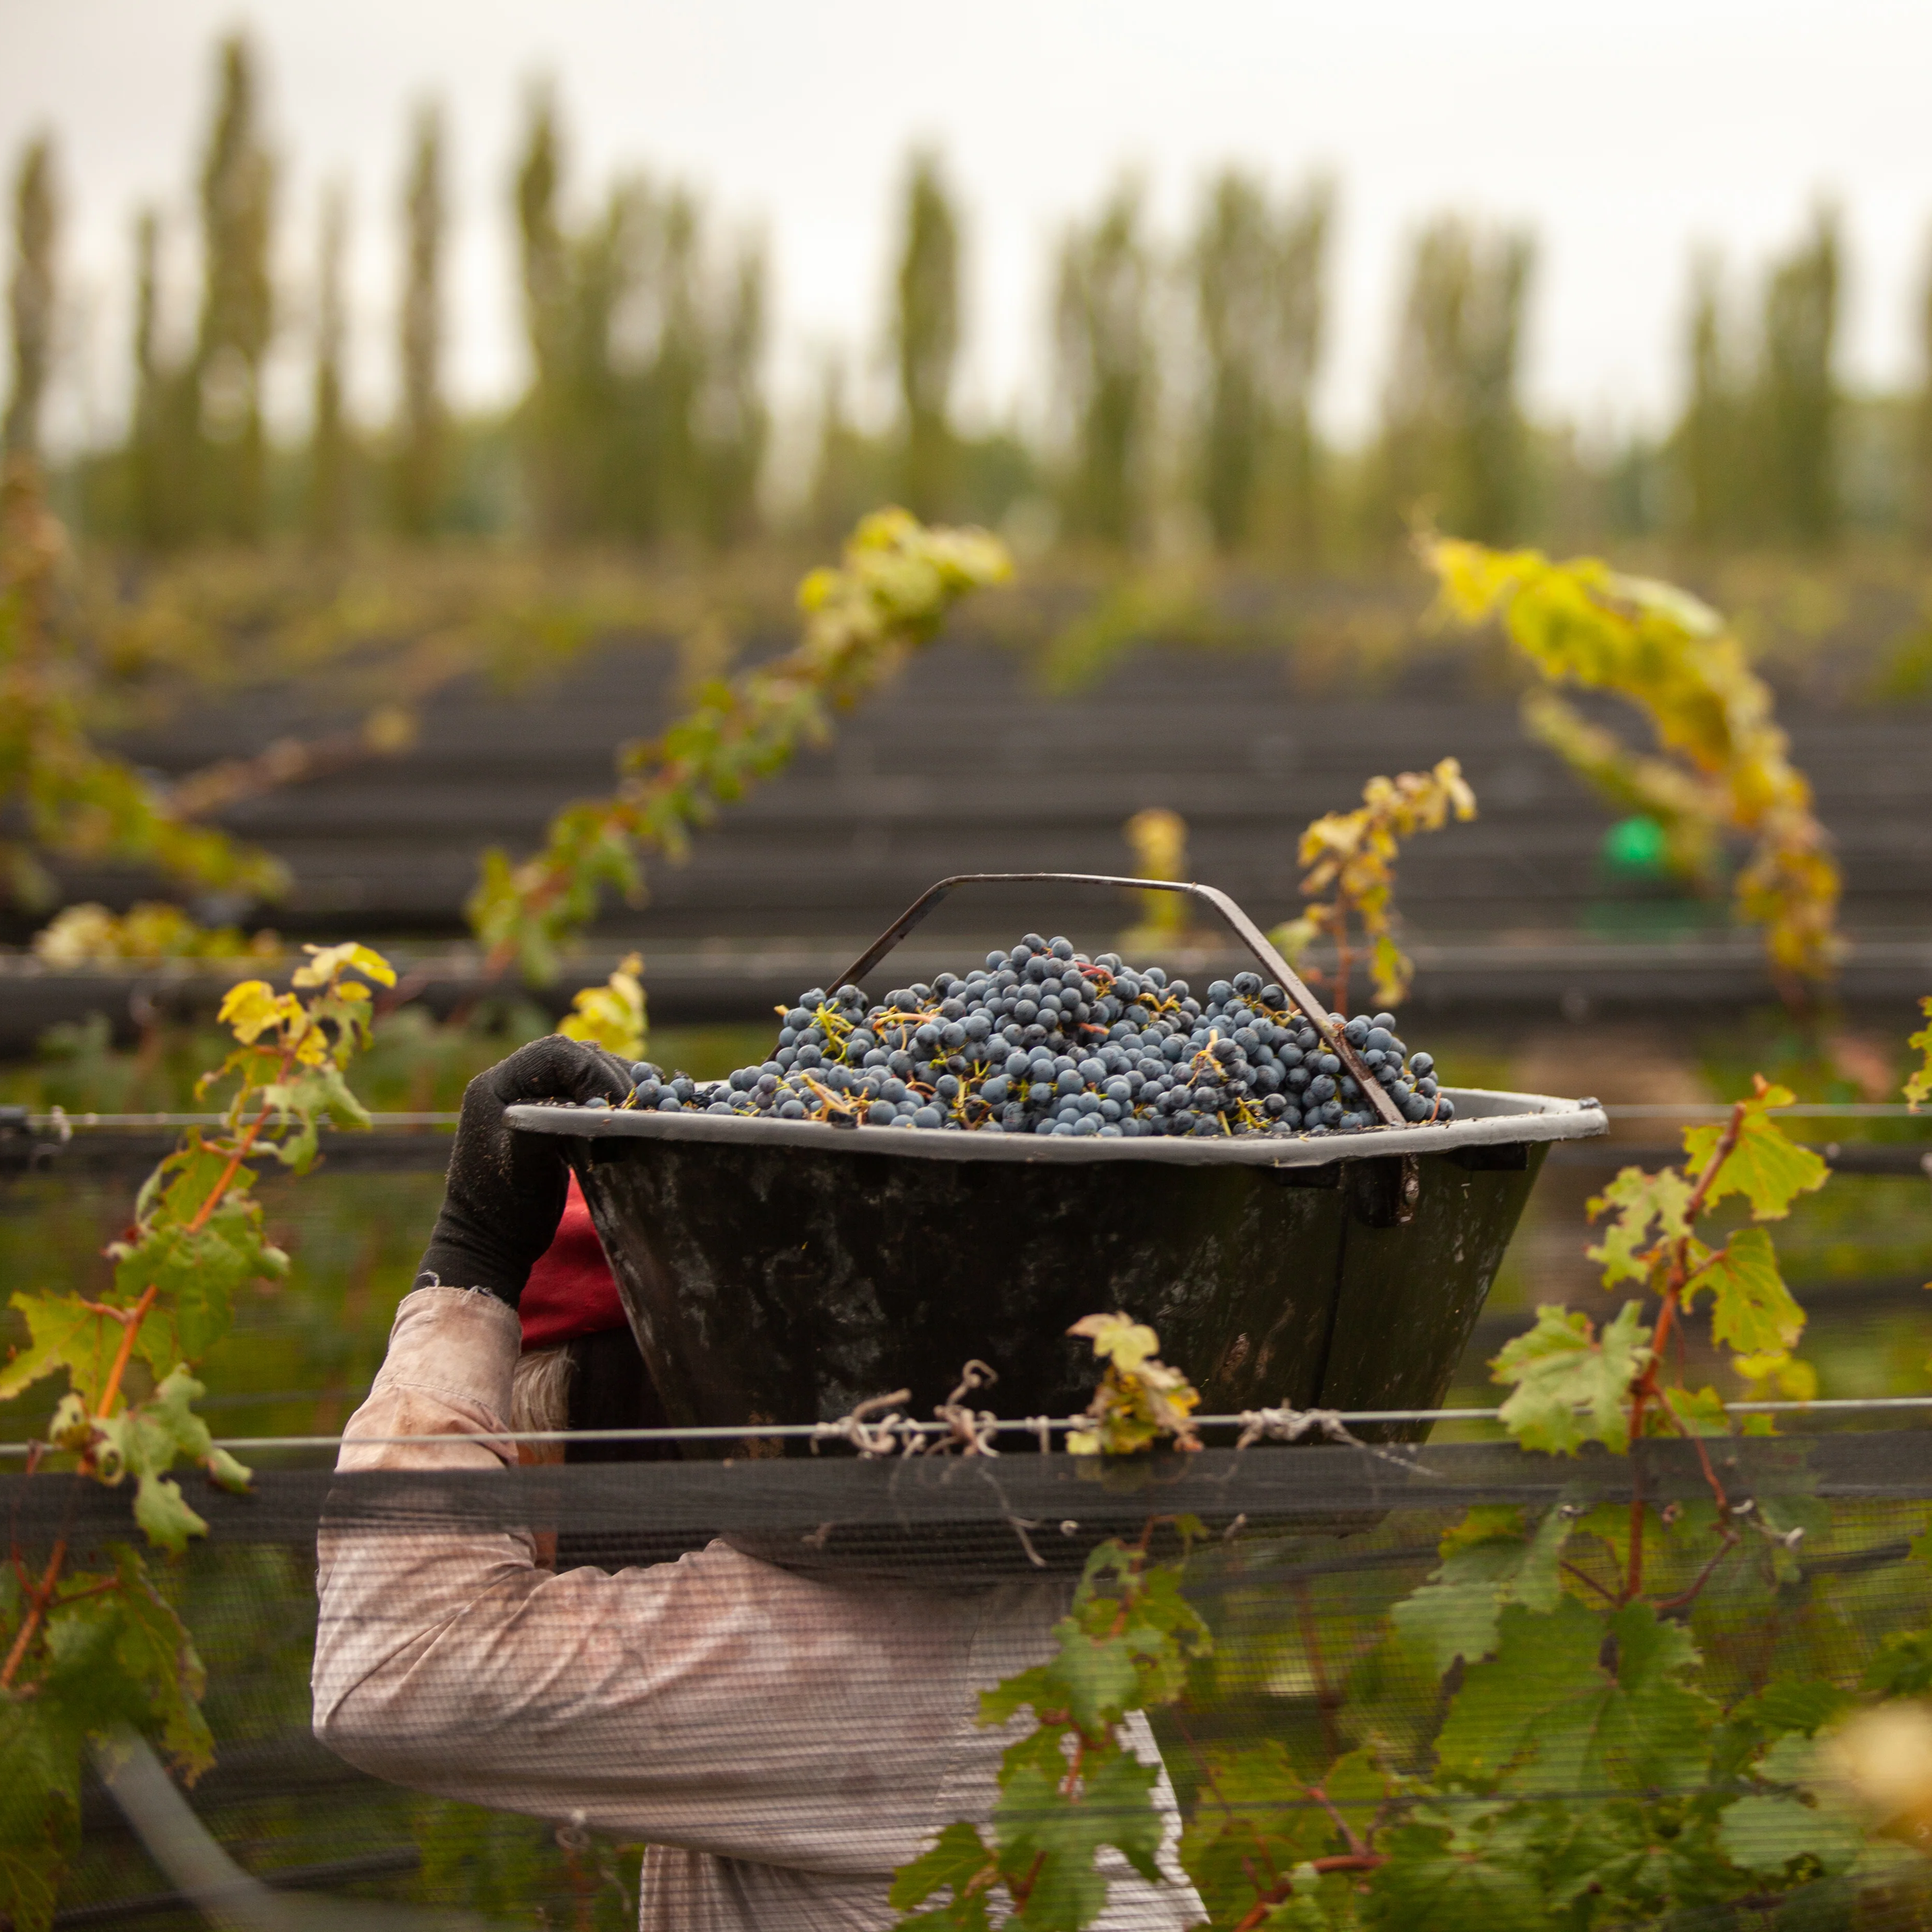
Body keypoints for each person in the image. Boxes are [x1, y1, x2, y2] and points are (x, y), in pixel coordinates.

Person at [312, 1036, 1199, 1931]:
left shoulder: (835, 1641)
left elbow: (392, 1665)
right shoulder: (955, 1579)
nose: (527, 1551)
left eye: (517, 1486)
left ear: (609, 1438)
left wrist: (470, 1262)